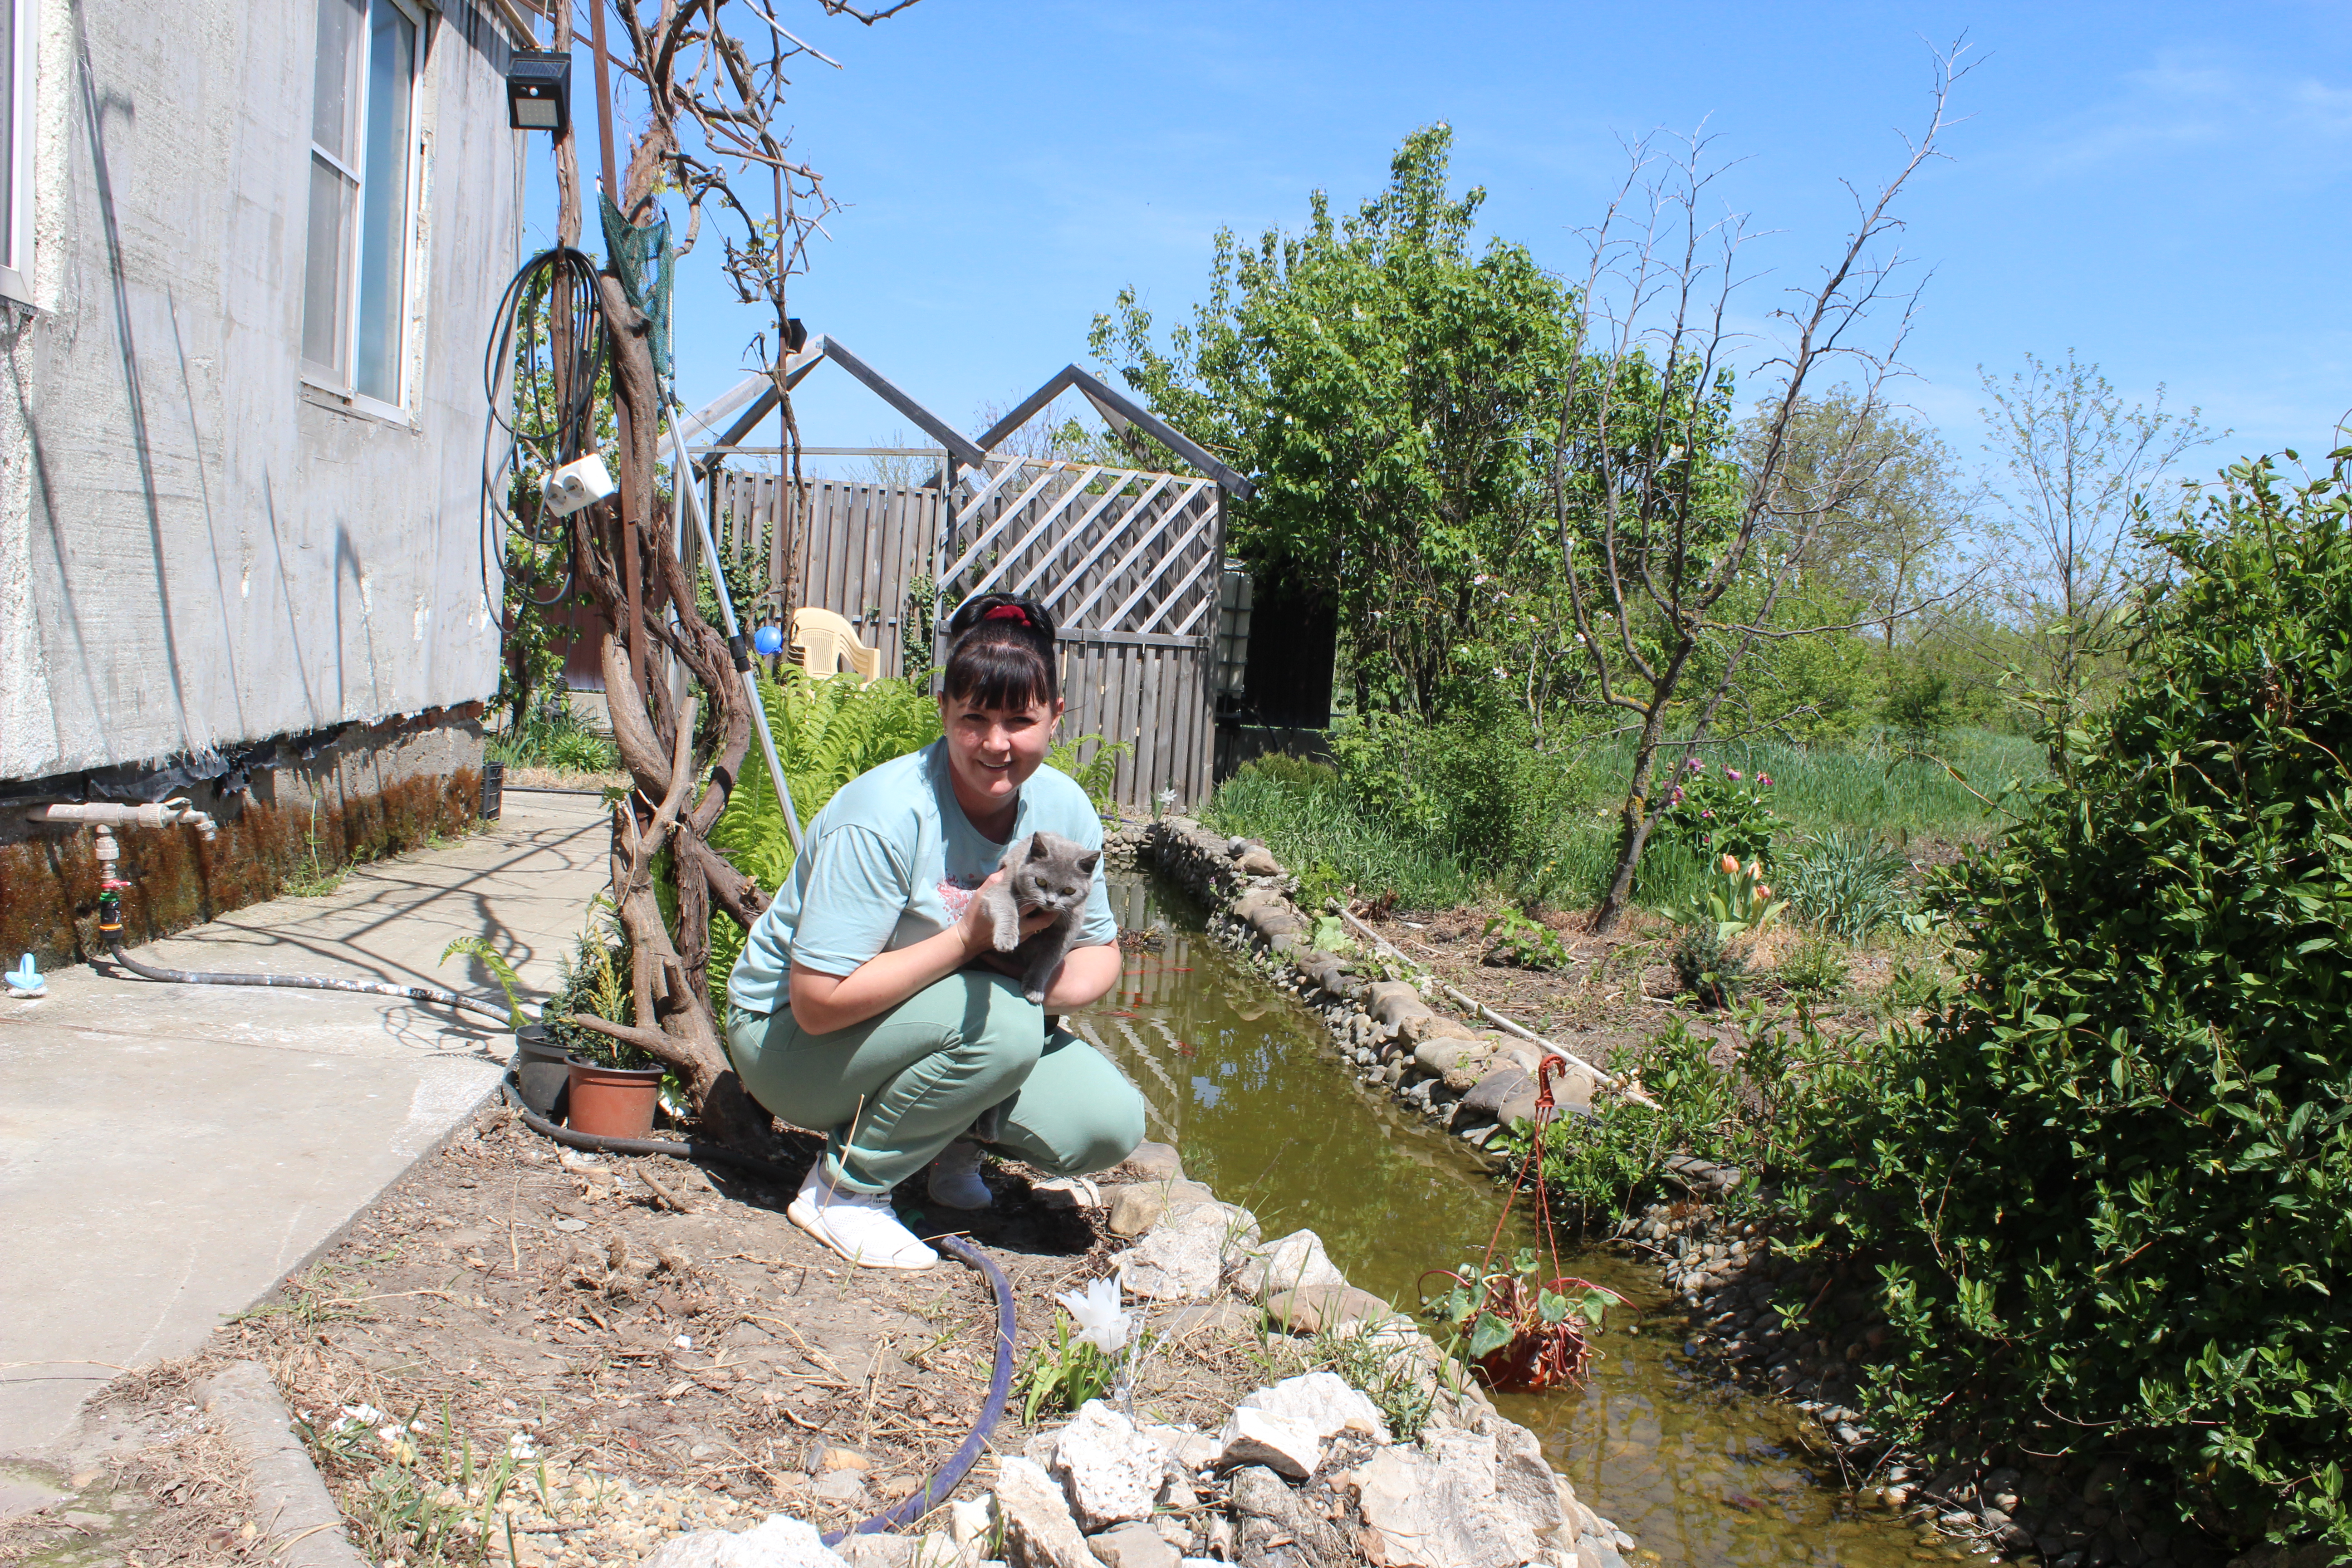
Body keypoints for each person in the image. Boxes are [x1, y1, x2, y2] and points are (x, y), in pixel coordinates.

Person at [723, 592, 1144, 1269]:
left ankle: (949, 1140)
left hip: (935, 1025)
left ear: (1056, 717)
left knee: (1108, 1121)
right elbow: (816, 1001)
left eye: (1020, 720)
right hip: (789, 1038)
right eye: (974, 718)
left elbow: (1099, 955)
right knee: (1002, 1028)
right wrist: (970, 945)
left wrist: (1025, 984)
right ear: (943, 707)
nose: (997, 744)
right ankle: (844, 1191)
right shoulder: (887, 814)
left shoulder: (1063, 808)